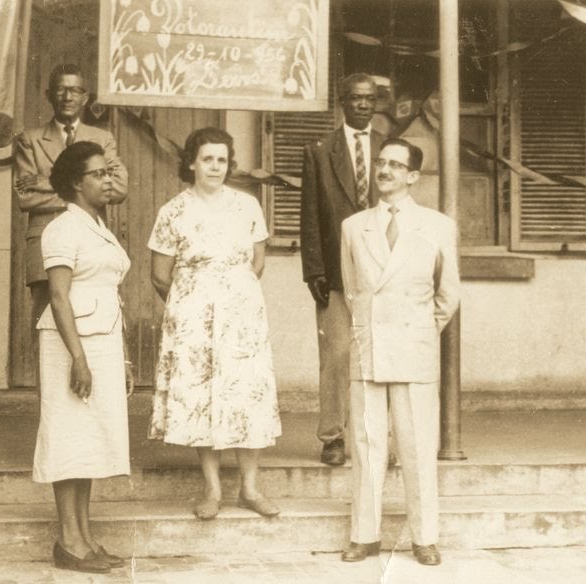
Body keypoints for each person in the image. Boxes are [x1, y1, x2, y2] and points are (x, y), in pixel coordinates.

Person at [148, 127, 282, 520]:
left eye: (222, 160)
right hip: (193, 317)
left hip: (242, 315)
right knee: (203, 396)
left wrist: (231, 296)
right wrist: (191, 306)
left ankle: (251, 488)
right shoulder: (173, 210)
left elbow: (257, 262)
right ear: (191, 162)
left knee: (246, 393)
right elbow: (159, 275)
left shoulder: (247, 206)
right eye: (207, 159)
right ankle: (212, 489)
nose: (215, 167)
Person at [338, 138, 460, 566]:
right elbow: (353, 289)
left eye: (395, 164)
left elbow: (448, 293)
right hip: (369, 346)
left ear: (413, 176)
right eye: (381, 162)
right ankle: (364, 536)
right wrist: (372, 328)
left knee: (417, 444)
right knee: (367, 442)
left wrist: (421, 330)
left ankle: (424, 537)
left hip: (414, 348)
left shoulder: (437, 225)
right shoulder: (354, 226)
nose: (384, 170)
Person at [32, 141, 134, 574]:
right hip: (71, 343)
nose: (107, 180)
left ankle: (86, 538)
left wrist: (123, 357)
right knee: (69, 435)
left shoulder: (99, 226)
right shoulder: (61, 228)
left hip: (103, 341)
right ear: (76, 182)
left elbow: (110, 295)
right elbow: (58, 296)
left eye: (108, 173)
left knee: (91, 439)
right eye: (98, 174)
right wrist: (78, 358)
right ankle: (68, 541)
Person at [300, 73, 385, 466]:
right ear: (342, 102)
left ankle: (378, 435)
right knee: (335, 355)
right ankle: (333, 436)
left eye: (369, 99)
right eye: (355, 99)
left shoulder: (389, 149)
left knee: (380, 354)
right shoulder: (320, 150)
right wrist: (314, 269)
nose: (363, 105)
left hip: (382, 273)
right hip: (335, 272)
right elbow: (311, 215)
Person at [13, 63, 128, 330]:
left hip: (92, 244)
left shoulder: (102, 139)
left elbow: (120, 188)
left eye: (75, 90)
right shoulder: (31, 139)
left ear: (85, 97)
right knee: (47, 327)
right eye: (61, 90)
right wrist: (86, 193)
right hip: (45, 244)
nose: (68, 97)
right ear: (49, 94)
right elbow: (25, 198)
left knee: (96, 323)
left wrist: (47, 183)